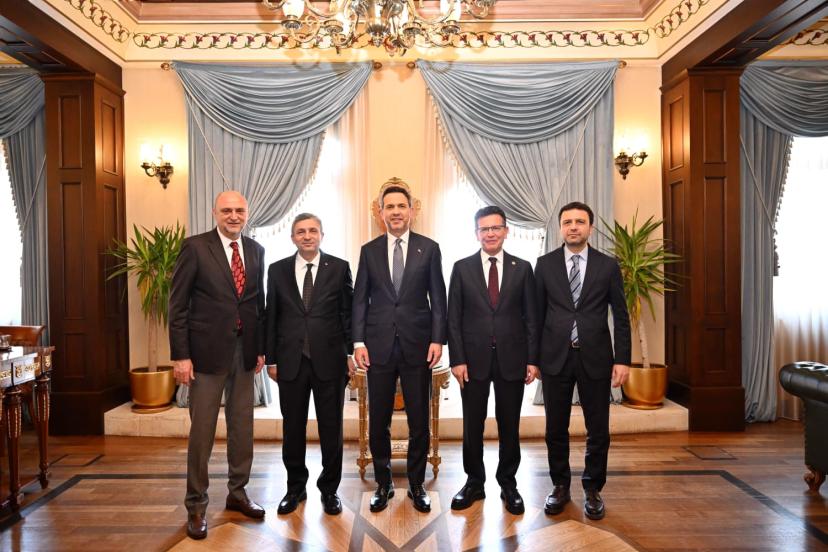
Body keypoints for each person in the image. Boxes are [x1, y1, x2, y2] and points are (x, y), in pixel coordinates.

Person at [169, 190, 267, 540]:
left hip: (244, 354)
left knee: (242, 428)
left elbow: (256, 303)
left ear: (247, 213)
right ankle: (196, 505)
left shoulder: (256, 250)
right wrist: (181, 356)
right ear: (215, 212)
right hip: (205, 356)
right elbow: (177, 305)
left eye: (239, 210)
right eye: (227, 210)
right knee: (202, 433)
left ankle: (237, 493)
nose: (233, 216)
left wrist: (259, 348)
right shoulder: (195, 248)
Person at [352, 184, 447, 513]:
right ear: (381, 213)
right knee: (379, 420)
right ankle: (384, 483)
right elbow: (360, 300)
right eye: (389, 206)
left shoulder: (429, 249)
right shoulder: (369, 251)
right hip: (377, 347)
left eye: (401, 206)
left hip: (418, 347)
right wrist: (358, 342)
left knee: (419, 419)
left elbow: (439, 299)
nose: (395, 212)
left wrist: (437, 339)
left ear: (411, 211)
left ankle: (417, 484)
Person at [535, 201, 631, 521]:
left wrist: (623, 360)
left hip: (596, 358)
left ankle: (592, 488)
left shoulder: (608, 266)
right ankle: (560, 485)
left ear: (590, 227)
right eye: (567, 222)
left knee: (598, 429)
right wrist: (533, 359)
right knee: (555, 428)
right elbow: (535, 316)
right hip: (555, 358)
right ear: (560, 228)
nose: (573, 227)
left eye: (579, 221)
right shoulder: (544, 265)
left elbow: (621, 316)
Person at [447, 206, 539, 515]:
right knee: (472, 424)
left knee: (509, 424)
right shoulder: (461, 268)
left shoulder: (522, 268)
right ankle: (474, 482)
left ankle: (508, 483)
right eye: (484, 229)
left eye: (495, 228)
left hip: (513, 359)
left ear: (506, 231)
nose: (490, 233)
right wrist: (457, 359)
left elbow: (531, 318)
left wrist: (533, 359)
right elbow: (453, 318)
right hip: (472, 362)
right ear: (476, 233)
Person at [264, 213, 354, 517]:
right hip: (290, 362)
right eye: (300, 231)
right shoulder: (277, 270)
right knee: (293, 428)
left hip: (330, 361)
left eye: (312, 230)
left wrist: (350, 354)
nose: (307, 236)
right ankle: (295, 488)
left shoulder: (339, 267)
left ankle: (330, 490)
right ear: (293, 237)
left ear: (321, 235)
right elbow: (271, 316)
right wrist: (271, 359)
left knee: (331, 428)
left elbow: (348, 314)